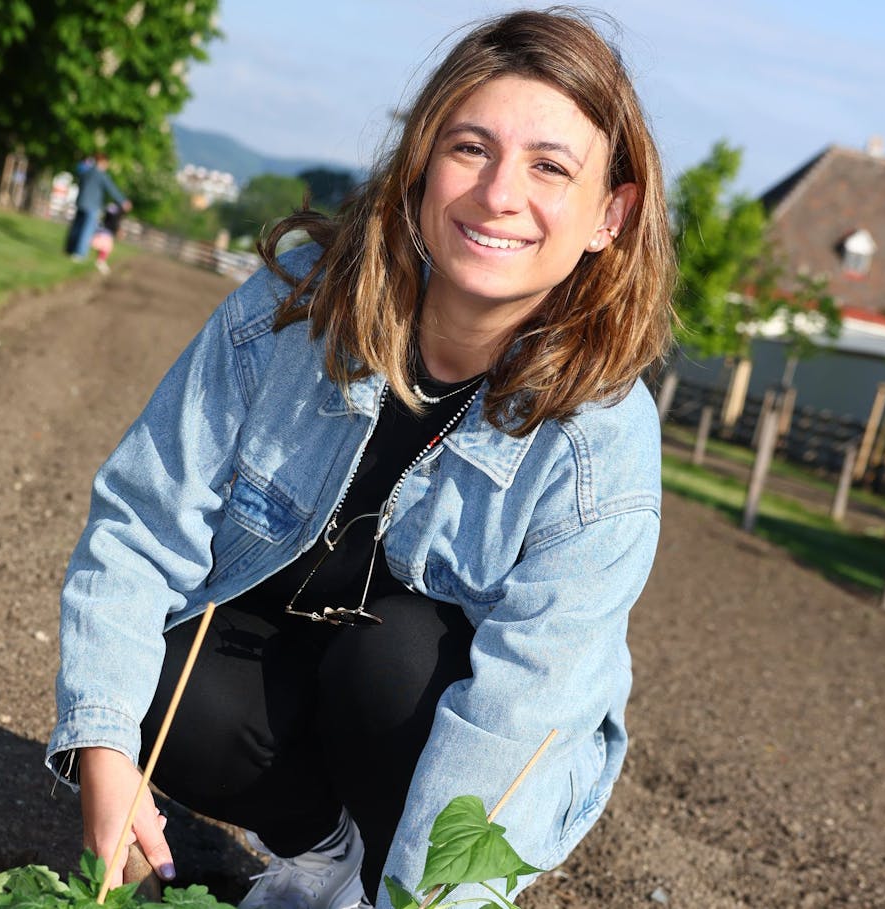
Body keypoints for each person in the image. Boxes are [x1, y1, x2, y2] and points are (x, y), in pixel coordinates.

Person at [46, 8, 674, 909]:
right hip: (286, 668)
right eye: (470, 148)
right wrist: (104, 748)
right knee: (172, 682)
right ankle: (324, 855)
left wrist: (426, 896)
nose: (499, 194)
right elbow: (142, 525)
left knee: (391, 662)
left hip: (442, 730)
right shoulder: (290, 315)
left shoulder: (599, 446)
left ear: (609, 214)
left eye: (549, 167)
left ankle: (383, 878)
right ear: (420, 166)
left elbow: (517, 720)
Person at [66, 153, 131, 261]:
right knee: (86, 230)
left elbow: (79, 171)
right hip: (92, 205)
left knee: (76, 227)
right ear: (102, 162)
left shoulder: (86, 171)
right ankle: (79, 254)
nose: (107, 166)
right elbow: (111, 188)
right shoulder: (101, 174)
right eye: (106, 164)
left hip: (81, 202)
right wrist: (123, 201)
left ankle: (69, 249)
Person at [90, 203, 125, 275]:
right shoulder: (118, 210)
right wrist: (118, 230)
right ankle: (100, 261)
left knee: (102, 247)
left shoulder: (112, 207)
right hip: (106, 232)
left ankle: (100, 261)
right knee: (105, 248)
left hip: (103, 229)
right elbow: (114, 221)